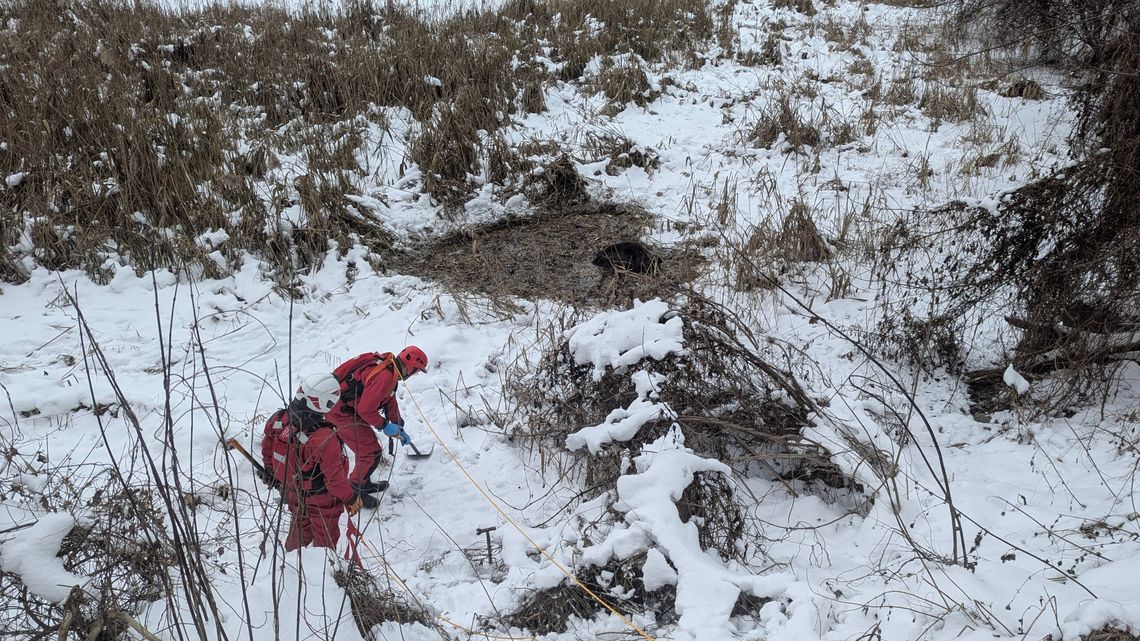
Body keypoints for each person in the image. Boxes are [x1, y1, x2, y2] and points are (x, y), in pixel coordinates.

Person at [261, 373, 363, 550]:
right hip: (321, 498)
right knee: (325, 538)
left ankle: (291, 563)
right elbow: (334, 479)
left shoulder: (278, 419)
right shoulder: (324, 437)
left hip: (293, 491)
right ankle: (323, 571)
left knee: (300, 528)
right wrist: (351, 497)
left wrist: (271, 472)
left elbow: (267, 447)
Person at [327, 346, 428, 504]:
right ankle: (355, 490)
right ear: (411, 367)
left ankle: (364, 483)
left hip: (349, 408)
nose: (414, 374)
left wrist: (397, 423)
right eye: (416, 371)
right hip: (340, 412)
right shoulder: (384, 376)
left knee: (372, 451)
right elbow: (366, 410)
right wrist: (384, 426)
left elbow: (388, 397)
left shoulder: (389, 367)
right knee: (370, 452)